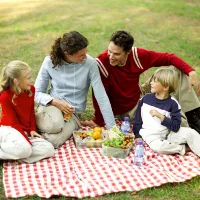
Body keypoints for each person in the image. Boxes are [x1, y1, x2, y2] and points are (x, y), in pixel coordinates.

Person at [89, 30, 200, 133]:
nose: (111, 57)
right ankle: (186, 130)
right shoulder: (102, 63)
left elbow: (168, 58)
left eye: (117, 54)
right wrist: (98, 120)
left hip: (138, 93)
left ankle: (193, 116)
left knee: (176, 71)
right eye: (110, 51)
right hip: (128, 109)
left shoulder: (137, 56)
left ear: (128, 52)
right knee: (162, 116)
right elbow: (99, 96)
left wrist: (191, 72)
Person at [34, 31, 116, 148]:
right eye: (81, 55)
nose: (85, 57)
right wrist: (55, 102)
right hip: (52, 106)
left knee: (54, 141)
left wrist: (112, 128)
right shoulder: (49, 62)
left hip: (73, 114)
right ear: (67, 54)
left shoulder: (90, 64)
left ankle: (38, 133)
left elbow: (101, 96)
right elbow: (36, 93)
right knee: (54, 125)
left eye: (85, 53)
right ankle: (37, 124)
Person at [133, 68, 200, 157]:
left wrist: (162, 117)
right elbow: (137, 120)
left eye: (155, 81)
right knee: (159, 147)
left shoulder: (173, 104)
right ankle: (184, 148)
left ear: (165, 87)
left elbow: (176, 127)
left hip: (169, 134)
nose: (150, 83)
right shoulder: (145, 99)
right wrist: (137, 135)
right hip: (151, 136)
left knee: (191, 132)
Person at [0, 61, 54, 163]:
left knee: (49, 149)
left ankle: (14, 155)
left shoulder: (31, 90)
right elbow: (12, 122)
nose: (31, 80)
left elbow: (31, 112)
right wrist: (25, 138)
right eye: (28, 78)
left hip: (24, 132)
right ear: (16, 81)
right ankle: (16, 151)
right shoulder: (5, 97)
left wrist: (32, 129)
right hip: (10, 130)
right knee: (25, 148)